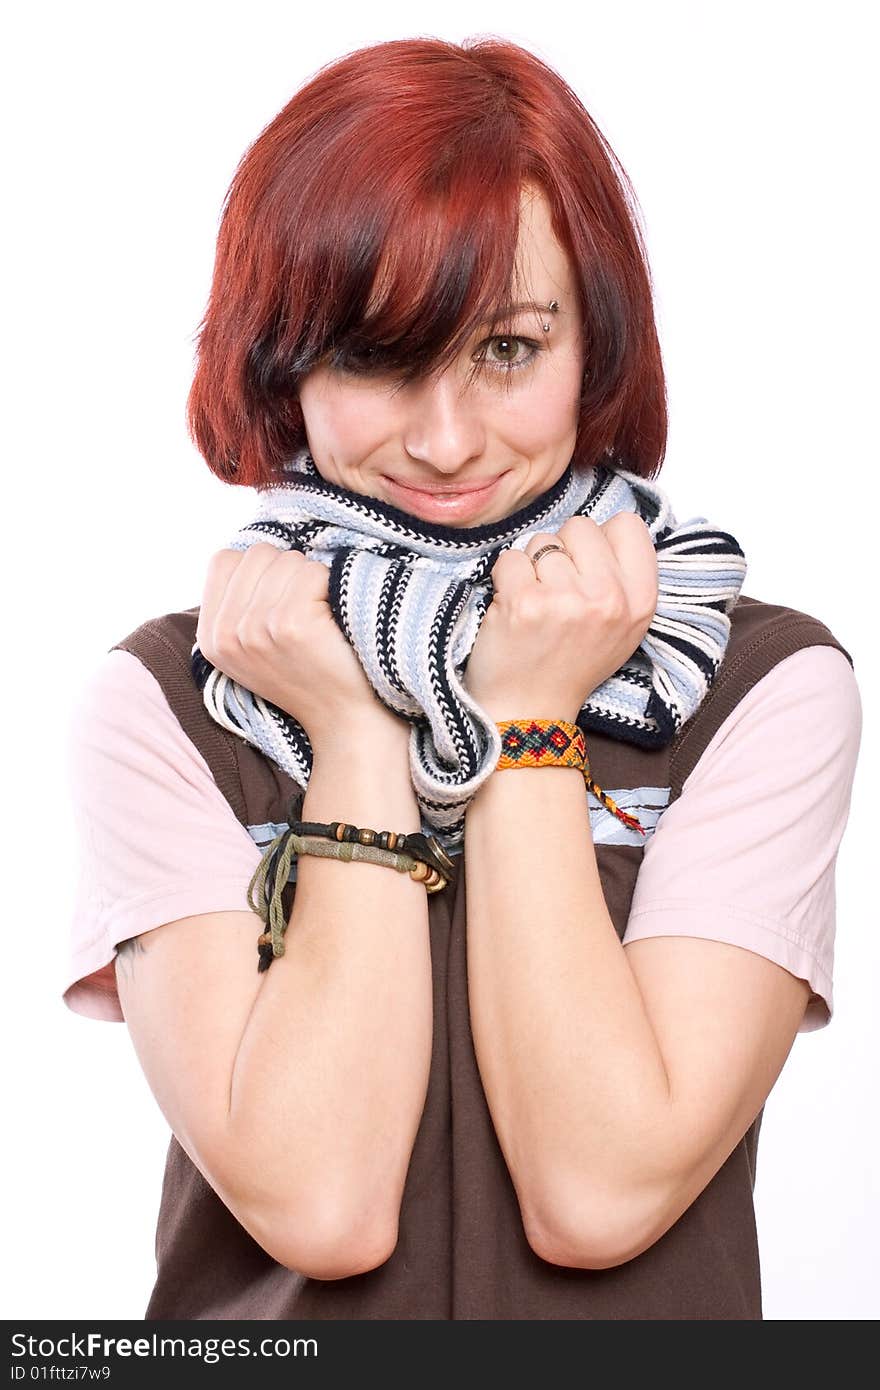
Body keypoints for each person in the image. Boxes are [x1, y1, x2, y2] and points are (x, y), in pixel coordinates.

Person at [62, 36, 862, 1320]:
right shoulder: (170, 701)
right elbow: (320, 1205)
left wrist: (532, 717)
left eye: (506, 349)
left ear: (592, 345)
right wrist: (357, 729)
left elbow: (598, 1190)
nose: (445, 443)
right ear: (284, 363)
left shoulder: (748, 685)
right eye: (377, 357)